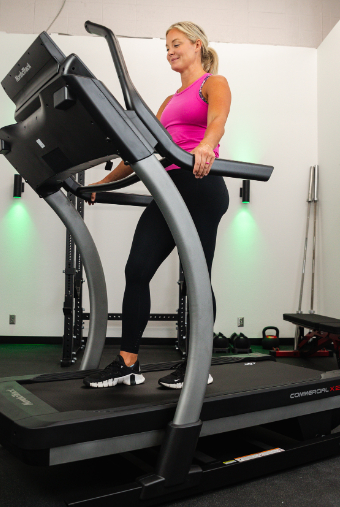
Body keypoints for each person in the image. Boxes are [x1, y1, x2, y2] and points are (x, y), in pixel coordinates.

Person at [83, 21, 231, 389]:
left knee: (196, 278)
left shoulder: (214, 83)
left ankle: (198, 363)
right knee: (137, 271)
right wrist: (101, 184)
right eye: (167, 46)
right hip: (167, 190)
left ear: (197, 45)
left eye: (176, 44)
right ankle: (128, 362)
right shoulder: (167, 102)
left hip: (200, 184)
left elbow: (218, 121)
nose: (170, 51)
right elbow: (139, 152)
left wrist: (205, 146)